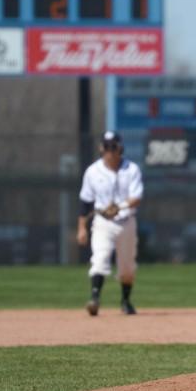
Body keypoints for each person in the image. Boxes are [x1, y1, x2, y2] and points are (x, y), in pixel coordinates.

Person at [77, 131, 143, 316]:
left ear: (120, 148)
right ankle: (95, 299)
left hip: (126, 222)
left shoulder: (131, 169)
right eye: (106, 147)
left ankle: (125, 300)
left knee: (127, 268)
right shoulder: (92, 171)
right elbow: (85, 202)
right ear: (101, 148)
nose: (110, 151)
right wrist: (81, 228)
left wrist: (119, 206)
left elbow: (136, 197)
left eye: (113, 147)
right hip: (102, 222)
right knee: (99, 259)